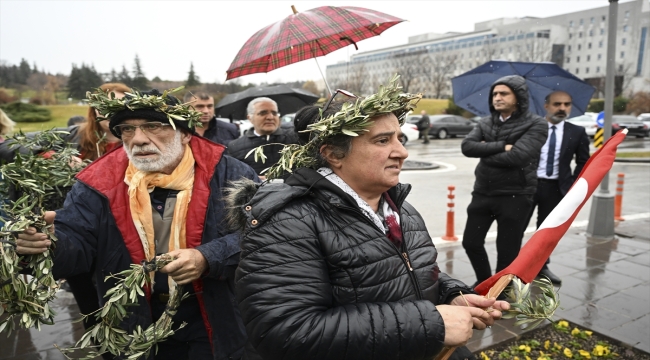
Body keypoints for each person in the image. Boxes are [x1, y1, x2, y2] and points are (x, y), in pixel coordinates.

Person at [226, 81, 509, 360]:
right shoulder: (288, 222)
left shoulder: (401, 208)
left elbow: (401, 271)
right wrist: (431, 323)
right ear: (333, 154)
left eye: (398, 138)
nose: (402, 152)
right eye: (383, 140)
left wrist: (450, 295)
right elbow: (285, 332)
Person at [15, 89, 259, 359]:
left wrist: (207, 257)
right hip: (134, 322)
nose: (139, 139)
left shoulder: (231, 174)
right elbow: (78, 247)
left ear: (186, 133)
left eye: (153, 126)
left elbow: (259, 235)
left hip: (214, 315)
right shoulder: (98, 183)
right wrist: (48, 244)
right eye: (127, 130)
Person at [461, 75, 548, 287]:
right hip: (483, 192)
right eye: (494, 94)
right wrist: (502, 145)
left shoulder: (536, 124)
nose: (497, 97)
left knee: (507, 250)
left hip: (516, 195)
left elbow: (518, 157)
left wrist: (485, 150)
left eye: (503, 93)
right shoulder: (485, 122)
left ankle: (502, 291)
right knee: (470, 242)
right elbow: (467, 147)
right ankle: (484, 282)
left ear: (518, 97)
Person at [525, 91, 590, 285]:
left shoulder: (576, 132)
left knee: (546, 231)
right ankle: (511, 265)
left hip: (556, 189)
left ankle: (541, 267)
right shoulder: (532, 128)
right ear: (547, 106)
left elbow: (583, 162)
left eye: (567, 104)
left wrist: (571, 185)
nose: (562, 108)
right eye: (557, 104)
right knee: (514, 228)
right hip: (528, 186)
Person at [227, 97, 298, 177]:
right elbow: (233, 177)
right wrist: (253, 180)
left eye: (274, 113)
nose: (270, 117)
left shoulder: (294, 140)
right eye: (263, 113)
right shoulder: (235, 147)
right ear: (250, 118)